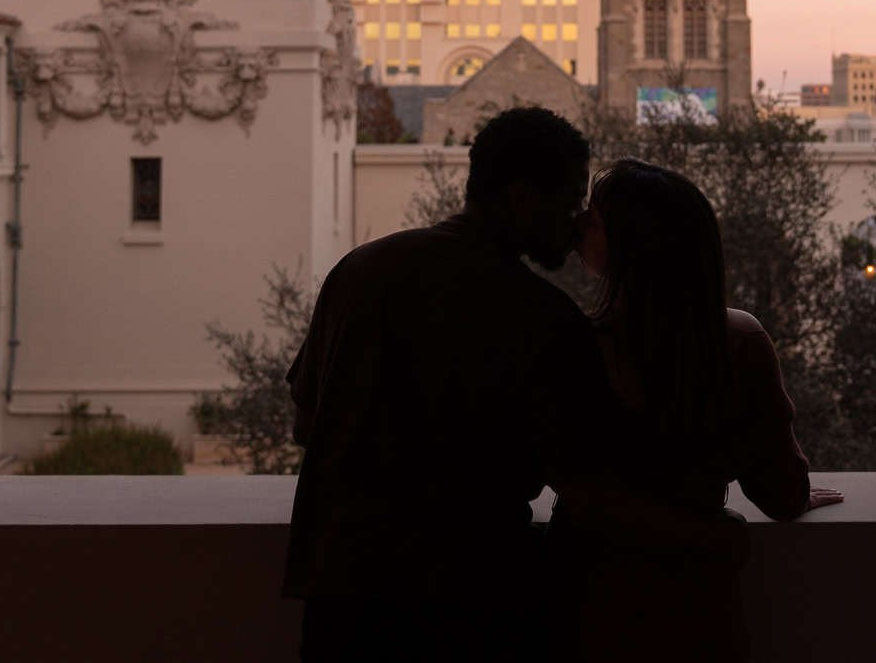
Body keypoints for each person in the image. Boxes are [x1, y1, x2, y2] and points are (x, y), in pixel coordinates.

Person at [284, 107, 601, 662]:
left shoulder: (358, 273)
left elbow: (307, 423)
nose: (577, 223)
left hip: (344, 603)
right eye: (572, 201)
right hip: (475, 608)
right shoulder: (542, 318)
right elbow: (582, 475)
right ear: (524, 198)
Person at [553, 158, 843, 662]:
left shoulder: (571, 349)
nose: (578, 225)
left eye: (593, 218)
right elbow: (779, 493)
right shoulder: (738, 343)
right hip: (694, 604)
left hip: (587, 597)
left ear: (627, 243)